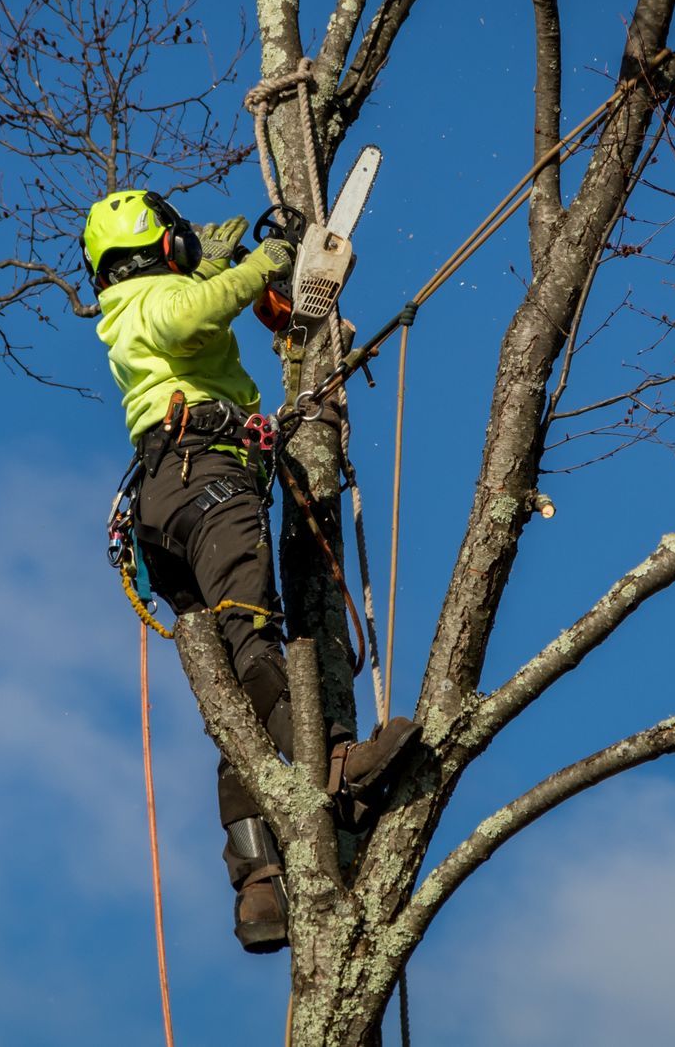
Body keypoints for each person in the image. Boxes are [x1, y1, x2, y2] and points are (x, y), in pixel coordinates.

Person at [85, 188, 418, 954]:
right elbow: (188, 316)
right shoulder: (157, 298)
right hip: (205, 473)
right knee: (254, 639)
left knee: (233, 692)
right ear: (159, 249)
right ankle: (334, 766)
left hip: (164, 497)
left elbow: (200, 321)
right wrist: (257, 265)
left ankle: (258, 881)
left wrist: (252, 281)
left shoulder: (126, 306)